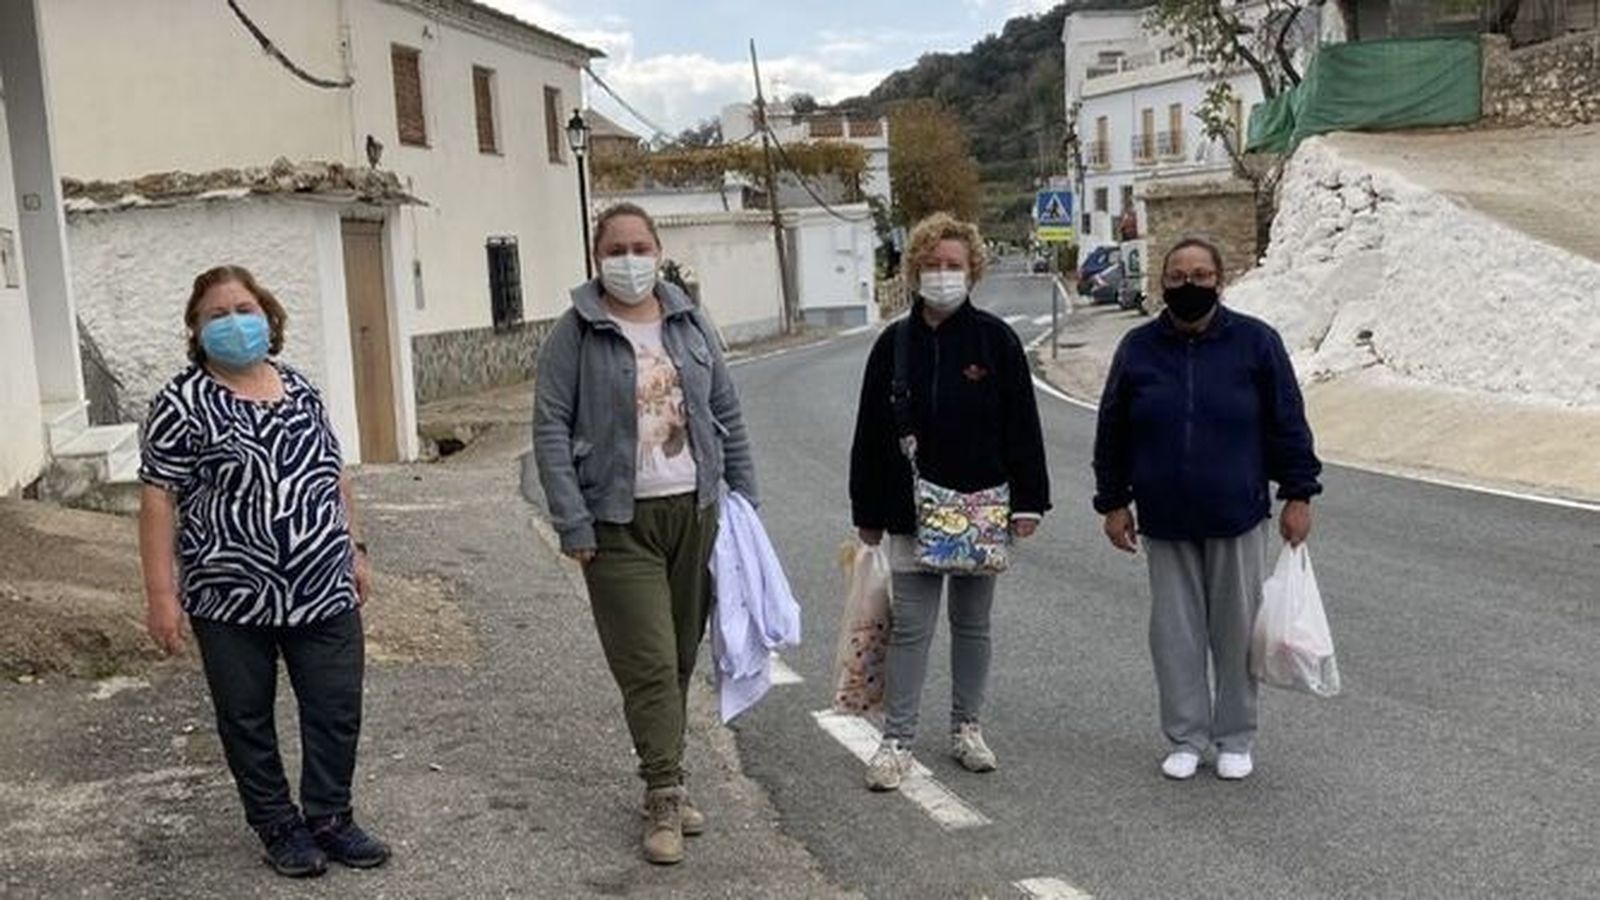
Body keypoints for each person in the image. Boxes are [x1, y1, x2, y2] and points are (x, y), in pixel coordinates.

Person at [138, 265, 388, 878]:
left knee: (335, 707)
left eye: (244, 310)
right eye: (217, 315)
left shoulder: (299, 387)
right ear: (196, 329)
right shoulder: (180, 403)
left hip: (322, 584)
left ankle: (330, 817)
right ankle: (277, 825)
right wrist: (161, 594)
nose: (234, 323)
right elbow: (157, 499)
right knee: (246, 716)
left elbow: (333, 474)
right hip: (229, 595)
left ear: (267, 316)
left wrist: (355, 549)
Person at [531, 202, 757, 866]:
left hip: (696, 513)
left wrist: (745, 501)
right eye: (616, 250)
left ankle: (668, 771)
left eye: (640, 247)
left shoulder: (689, 321)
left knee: (680, 656)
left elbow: (725, 409)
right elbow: (549, 426)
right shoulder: (574, 333)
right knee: (649, 662)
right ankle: (663, 792)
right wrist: (571, 519)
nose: (629, 260)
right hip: (616, 522)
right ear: (596, 258)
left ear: (659, 252)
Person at [1092, 236, 1322, 782]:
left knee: (1236, 631)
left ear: (1219, 280)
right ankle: (1186, 737)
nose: (1188, 285)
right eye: (1177, 276)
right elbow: (1113, 430)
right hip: (1164, 518)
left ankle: (1235, 737)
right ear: (1162, 282)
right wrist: (1113, 501)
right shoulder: (1138, 349)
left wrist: (1299, 493)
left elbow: (1287, 421)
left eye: (1200, 275)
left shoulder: (1256, 343)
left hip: (1235, 514)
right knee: (1175, 635)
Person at [849, 212, 1051, 792]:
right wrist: (867, 512)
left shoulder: (996, 340)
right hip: (910, 509)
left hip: (982, 508)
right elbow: (869, 432)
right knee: (911, 627)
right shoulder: (893, 345)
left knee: (972, 623)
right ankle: (897, 740)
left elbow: (1022, 423)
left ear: (973, 270)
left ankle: (967, 727)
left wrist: (1030, 501)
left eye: (953, 265)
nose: (942, 274)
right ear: (914, 271)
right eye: (932, 264)